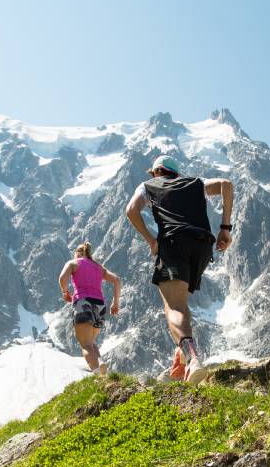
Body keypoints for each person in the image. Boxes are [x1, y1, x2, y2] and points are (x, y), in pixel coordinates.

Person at [124, 155, 233, 383]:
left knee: (172, 307)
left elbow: (131, 211)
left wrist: (151, 240)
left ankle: (193, 360)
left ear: (156, 172)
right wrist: (225, 229)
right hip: (203, 246)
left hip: (174, 243)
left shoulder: (148, 186)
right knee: (181, 304)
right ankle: (179, 364)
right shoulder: (194, 182)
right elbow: (226, 184)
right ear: (176, 172)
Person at [58, 242, 121, 376]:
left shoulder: (73, 263)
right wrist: (115, 303)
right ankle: (100, 363)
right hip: (100, 304)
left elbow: (62, 278)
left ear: (77, 253)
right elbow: (116, 280)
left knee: (85, 344)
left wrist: (65, 292)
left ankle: (97, 373)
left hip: (83, 302)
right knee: (91, 342)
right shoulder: (99, 267)